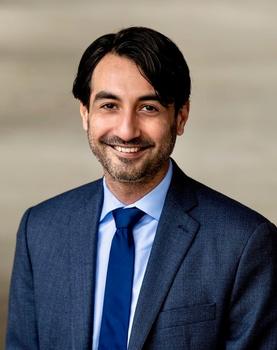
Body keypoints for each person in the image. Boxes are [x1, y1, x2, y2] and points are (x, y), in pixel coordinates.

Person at [6, 26, 277, 350]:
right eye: (109, 106)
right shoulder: (39, 231)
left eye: (148, 107)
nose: (127, 130)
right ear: (85, 113)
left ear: (181, 116)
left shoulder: (245, 243)